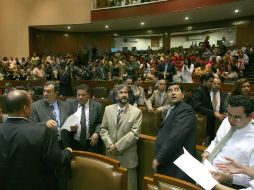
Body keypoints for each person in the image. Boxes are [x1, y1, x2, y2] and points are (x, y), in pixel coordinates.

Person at [0, 90, 72, 190]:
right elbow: (56, 161)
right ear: (25, 108)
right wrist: (67, 152)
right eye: (31, 104)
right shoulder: (43, 132)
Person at [202, 95, 254, 189]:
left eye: (237, 117)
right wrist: (208, 151)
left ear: (251, 116)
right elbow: (216, 141)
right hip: (207, 171)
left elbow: (251, 178)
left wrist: (230, 178)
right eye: (229, 114)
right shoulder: (226, 121)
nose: (231, 120)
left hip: (229, 184)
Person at [29, 81, 71, 190]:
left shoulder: (66, 105)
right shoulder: (35, 106)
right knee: (48, 178)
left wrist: (73, 127)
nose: (45, 94)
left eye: (48, 91)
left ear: (56, 93)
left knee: (63, 177)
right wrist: (44, 123)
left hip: (63, 145)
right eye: (44, 91)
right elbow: (30, 126)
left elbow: (69, 123)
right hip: (46, 147)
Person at [100, 84, 142, 190]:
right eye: (121, 93)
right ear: (116, 96)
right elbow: (103, 129)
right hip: (110, 154)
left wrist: (117, 146)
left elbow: (135, 133)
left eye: (126, 92)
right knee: (112, 185)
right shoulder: (108, 109)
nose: (124, 95)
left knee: (129, 186)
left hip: (127, 157)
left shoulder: (136, 112)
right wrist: (109, 144)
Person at [152, 83, 196, 182]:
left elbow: (175, 137)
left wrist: (159, 158)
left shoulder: (185, 110)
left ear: (183, 95)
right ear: (167, 95)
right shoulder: (173, 109)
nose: (173, 93)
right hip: (171, 161)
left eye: (176, 90)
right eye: (170, 91)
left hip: (178, 164)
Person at [65, 84, 104, 153]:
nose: (80, 97)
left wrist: (97, 132)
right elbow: (64, 120)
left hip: (91, 142)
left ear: (89, 95)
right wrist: (70, 127)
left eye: (83, 95)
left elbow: (101, 122)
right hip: (73, 142)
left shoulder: (97, 106)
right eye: (78, 95)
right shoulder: (69, 104)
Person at [191, 73, 221, 144]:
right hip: (200, 119)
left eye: (213, 81)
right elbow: (197, 106)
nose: (212, 83)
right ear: (204, 81)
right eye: (211, 82)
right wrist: (213, 113)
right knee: (200, 140)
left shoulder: (207, 90)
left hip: (208, 119)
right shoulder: (198, 90)